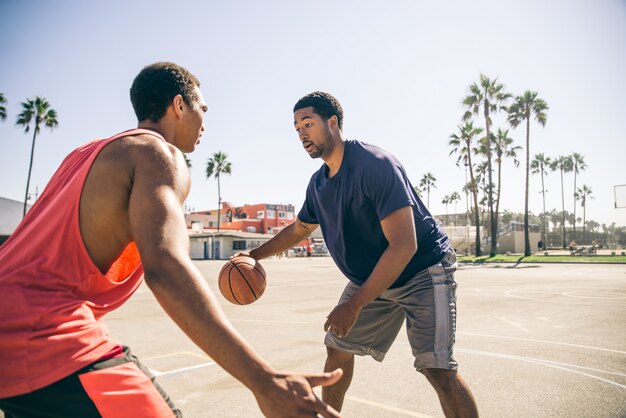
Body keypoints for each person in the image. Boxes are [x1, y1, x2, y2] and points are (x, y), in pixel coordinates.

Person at [0, 63, 342, 418]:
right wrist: (263, 379)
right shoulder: (158, 154)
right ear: (179, 105)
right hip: (39, 332)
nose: (205, 122)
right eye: (202, 109)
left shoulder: (87, 154)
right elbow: (166, 268)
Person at [245, 92, 479, 417]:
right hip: (373, 277)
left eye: (308, 124)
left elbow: (404, 245)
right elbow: (299, 229)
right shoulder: (318, 185)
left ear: (332, 123)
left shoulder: (375, 165)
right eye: (296, 128)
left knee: (437, 368)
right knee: (337, 347)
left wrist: (354, 304)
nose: (301, 134)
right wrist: (253, 255)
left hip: (422, 270)